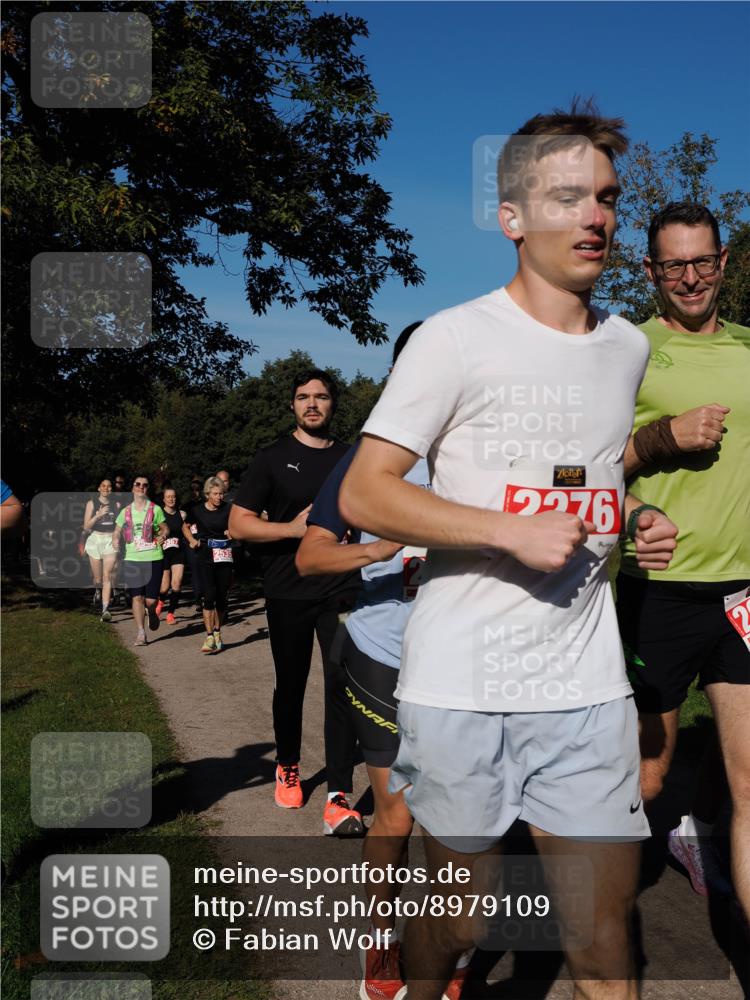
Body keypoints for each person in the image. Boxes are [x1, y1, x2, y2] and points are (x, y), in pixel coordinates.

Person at [339, 103, 679, 999]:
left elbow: (584, 476)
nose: (595, 217)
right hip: (464, 688)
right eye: (567, 198)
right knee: (458, 922)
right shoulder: (454, 338)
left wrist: (632, 515)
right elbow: (365, 492)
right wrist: (502, 529)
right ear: (513, 218)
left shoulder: (627, 347)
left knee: (603, 944)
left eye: (607, 197)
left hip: (587, 691)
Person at [295, 323, 453, 1000]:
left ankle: (447, 945)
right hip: (383, 653)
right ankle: (381, 937)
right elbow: (310, 556)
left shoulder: (482, 452)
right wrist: (376, 550)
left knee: (461, 819)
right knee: (398, 814)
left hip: (462, 664)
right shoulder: (367, 458)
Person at [617, 202, 750, 914]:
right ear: (650, 270)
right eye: (674, 266)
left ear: (724, 262)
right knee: (646, 778)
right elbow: (578, 469)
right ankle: (593, 912)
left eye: (702, 261)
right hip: (660, 593)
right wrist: (641, 499)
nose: (691, 278)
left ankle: (700, 837)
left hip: (744, 595)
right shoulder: (623, 350)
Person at [229, 369, 363, 836]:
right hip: (288, 587)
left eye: (321, 396)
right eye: (303, 397)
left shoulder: (352, 457)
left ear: (333, 404)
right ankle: (287, 766)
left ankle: (338, 792)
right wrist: (293, 529)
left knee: (341, 683)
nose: (312, 404)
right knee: (291, 683)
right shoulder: (272, 458)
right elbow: (239, 524)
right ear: (292, 405)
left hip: (341, 586)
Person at [111, 474, 168, 646]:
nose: (141, 487)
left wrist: (163, 535)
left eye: (145, 485)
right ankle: (141, 633)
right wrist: (115, 539)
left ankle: (152, 612)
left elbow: (165, 528)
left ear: (147, 489)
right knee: (137, 598)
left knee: (151, 600)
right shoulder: (125, 511)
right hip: (133, 559)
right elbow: (117, 530)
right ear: (133, 488)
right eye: (138, 484)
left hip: (153, 557)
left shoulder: (155, 509)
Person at [183, 476, 234, 653]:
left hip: (224, 555)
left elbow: (237, 527)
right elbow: (185, 526)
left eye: (221, 493)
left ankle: (218, 632)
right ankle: (209, 636)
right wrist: (192, 540)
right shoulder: (197, 511)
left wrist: (231, 532)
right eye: (215, 494)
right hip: (205, 555)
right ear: (207, 494)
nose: (219, 497)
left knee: (221, 597)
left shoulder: (228, 509)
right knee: (209, 596)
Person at [82, 477, 120, 622]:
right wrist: (98, 515)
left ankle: (105, 610)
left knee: (107, 575)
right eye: (103, 486)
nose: (106, 488)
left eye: (109, 486)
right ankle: (97, 589)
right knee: (98, 579)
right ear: (99, 488)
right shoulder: (91, 503)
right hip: (95, 540)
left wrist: (117, 537)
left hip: (110, 540)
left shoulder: (116, 504)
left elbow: (119, 525)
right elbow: (86, 527)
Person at [156, 486, 187, 624]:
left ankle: (170, 613)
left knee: (176, 584)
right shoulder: (158, 514)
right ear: (164, 499)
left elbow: (188, 530)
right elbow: (152, 531)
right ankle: (160, 603)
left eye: (173, 496)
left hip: (178, 552)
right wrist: (158, 536)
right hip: (163, 553)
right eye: (168, 497)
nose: (171, 499)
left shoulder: (182, 514)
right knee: (164, 587)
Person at [184, 478, 206, 613]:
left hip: (204, 538)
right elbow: (183, 525)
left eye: (197, 490)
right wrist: (191, 539)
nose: (195, 492)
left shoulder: (206, 505)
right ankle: (198, 598)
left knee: (205, 568)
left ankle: (206, 596)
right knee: (195, 569)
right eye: (193, 490)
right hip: (191, 539)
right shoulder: (186, 506)